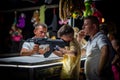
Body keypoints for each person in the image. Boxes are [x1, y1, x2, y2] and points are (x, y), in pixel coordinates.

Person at [77, 15, 114, 80]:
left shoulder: (100, 37)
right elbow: (81, 52)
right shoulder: (91, 40)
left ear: (94, 26)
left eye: (86, 25)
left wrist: (100, 70)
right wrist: (79, 39)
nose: (83, 27)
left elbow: (105, 50)